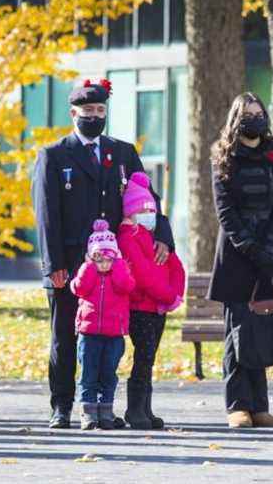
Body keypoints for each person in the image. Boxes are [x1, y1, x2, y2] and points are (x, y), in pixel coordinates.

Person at [32, 78, 175, 429]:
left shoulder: (123, 152)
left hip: (116, 266)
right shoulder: (54, 155)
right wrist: (54, 265)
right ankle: (62, 406)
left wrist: (164, 236)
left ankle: (105, 405)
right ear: (73, 113)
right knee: (65, 335)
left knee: (110, 335)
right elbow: (46, 214)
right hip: (71, 264)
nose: (95, 117)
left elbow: (148, 199)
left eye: (100, 111)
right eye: (88, 111)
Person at [206, 92, 273, 429]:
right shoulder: (223, 155)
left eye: (260, 113)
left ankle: (259, 405)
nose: (256, 119)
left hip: (270, 251)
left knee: (261, 330)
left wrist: (270, 245)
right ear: (236, 118)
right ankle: (237, 405)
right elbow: (225, 210)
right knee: (236, 332)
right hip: (238, 255)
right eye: (249, 114)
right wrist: (250, 247)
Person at [117, 172, 185, 429]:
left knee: (150, 358)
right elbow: (144, 276)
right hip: (141, 307)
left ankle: (146, 407)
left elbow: (174, 265)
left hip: (158, 307)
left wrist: (175, 293)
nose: (148, 214)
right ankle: (135, 409)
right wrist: (168, 295)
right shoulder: (128, 238)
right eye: (143, 210)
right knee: (143, 357)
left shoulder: (152, 235)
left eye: (151, 210)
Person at [70, 219, 134, 430]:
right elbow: (78, 288)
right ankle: (88, 413)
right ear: (91, 256)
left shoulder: (120, 271)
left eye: (108, 257)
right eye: (98, 257)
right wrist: (88, 266)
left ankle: (105, 411)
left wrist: (118, 267)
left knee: (108, 373)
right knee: (88, 374)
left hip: (114, 334)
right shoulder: (88, 271)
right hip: (89, 333)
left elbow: (127, 286)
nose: (103, 262)